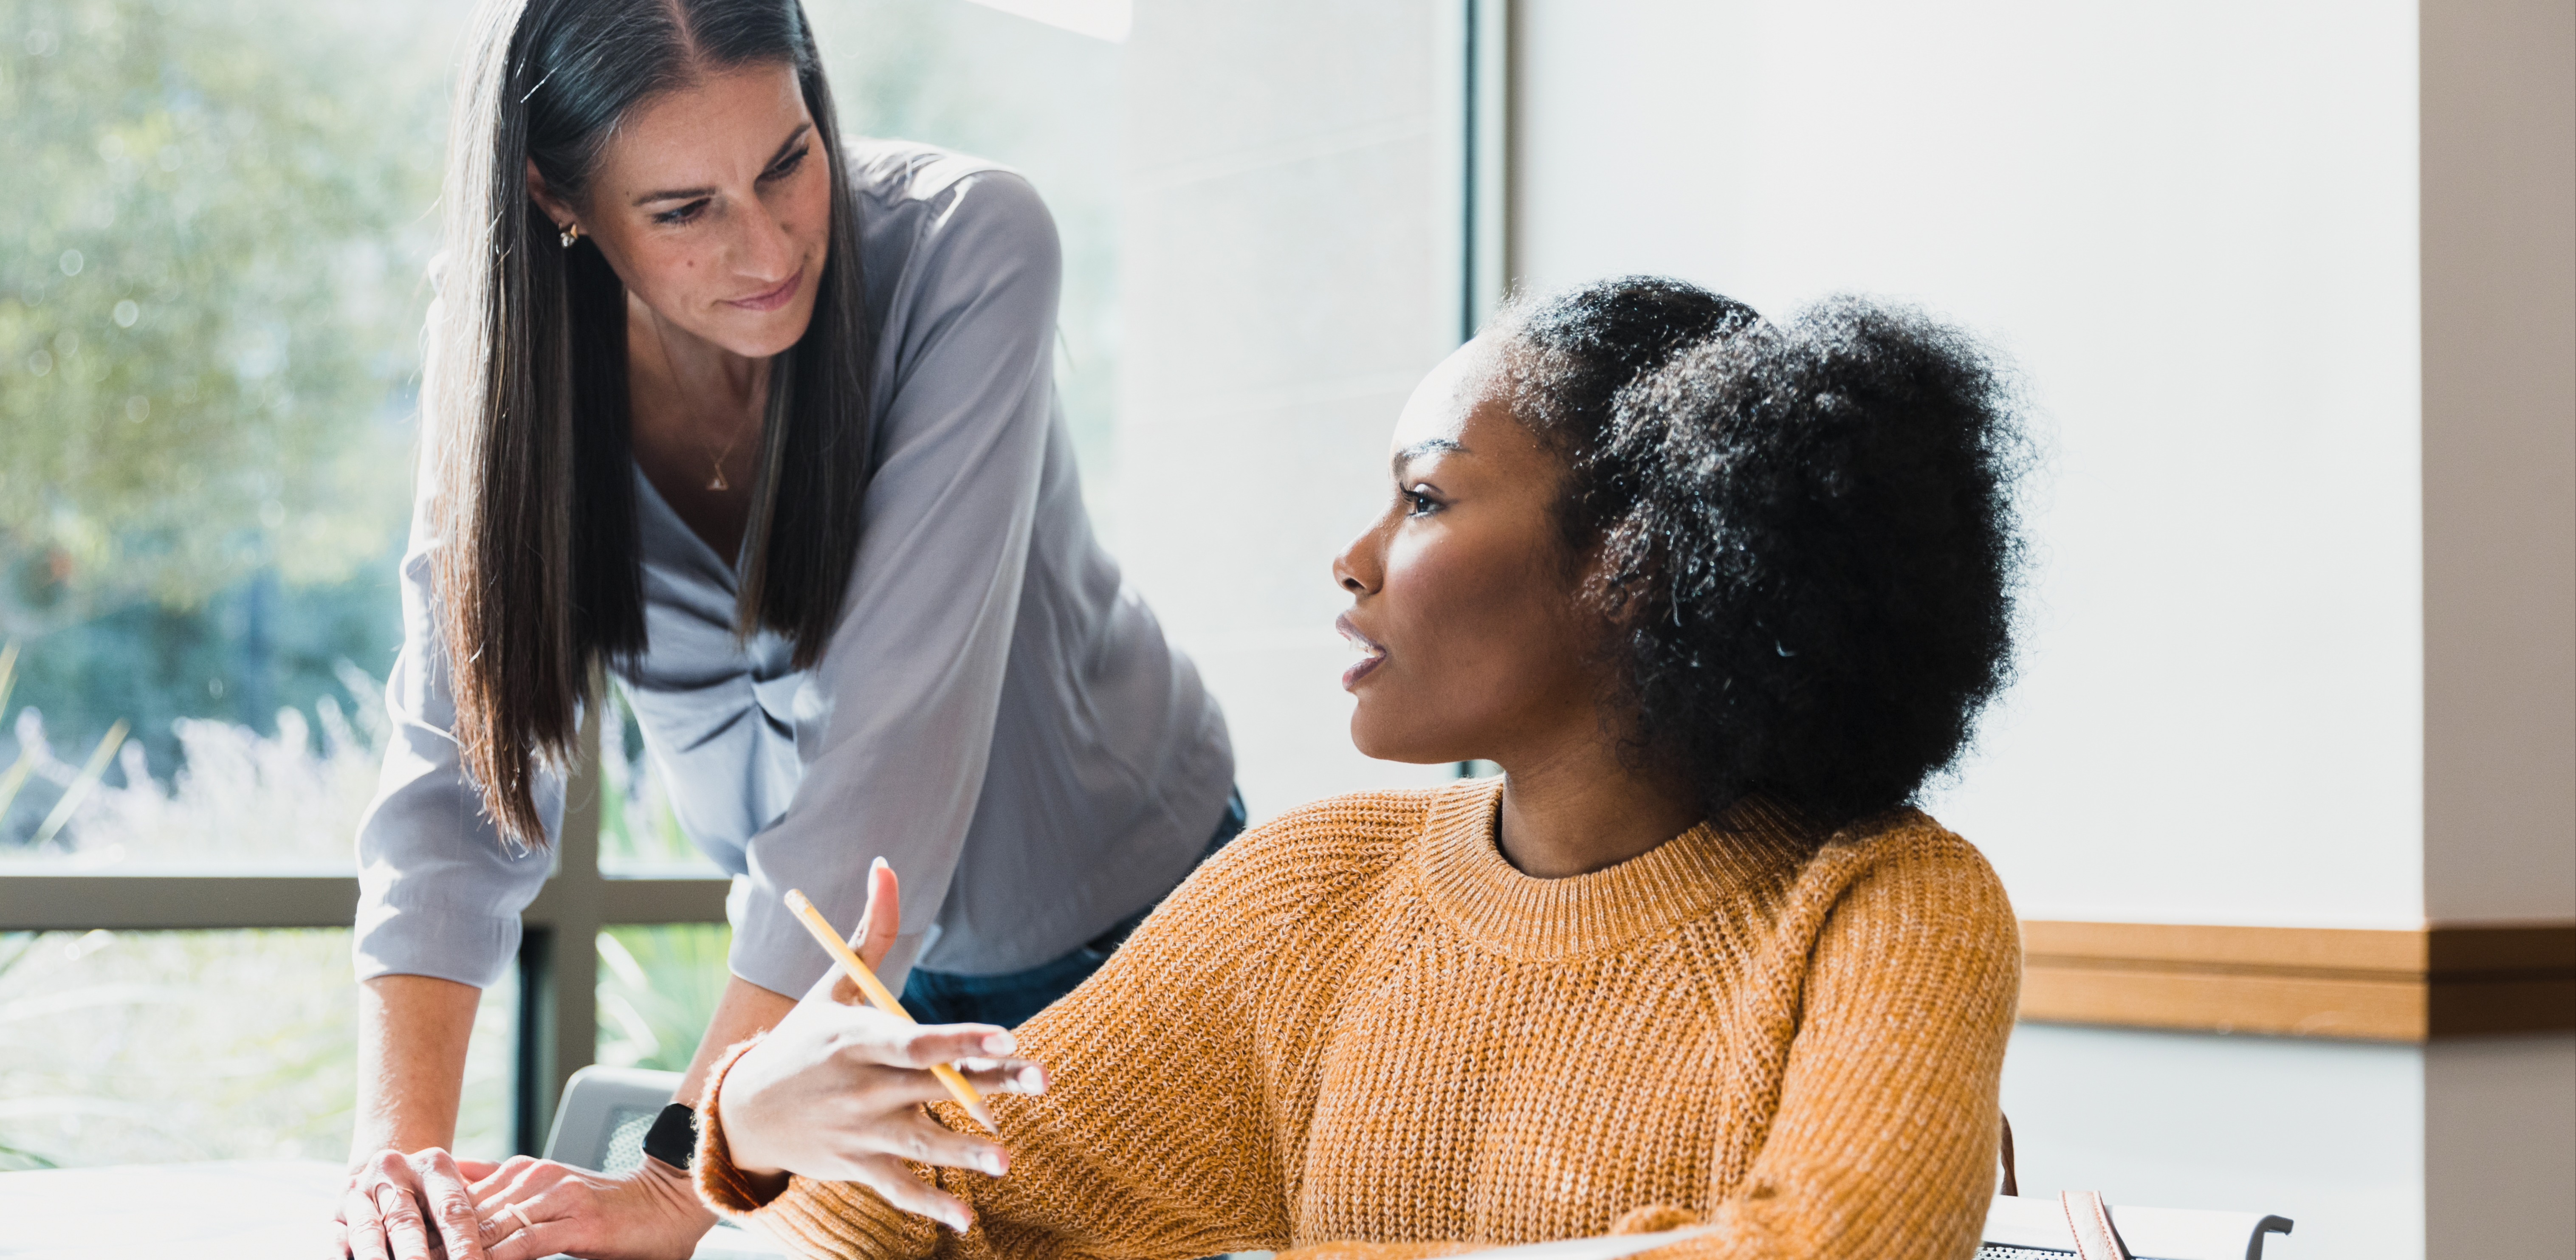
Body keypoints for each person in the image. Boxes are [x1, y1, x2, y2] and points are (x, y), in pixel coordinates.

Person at [520, 276, 2029, 1259]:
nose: (1354, 561)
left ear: (1634, 569)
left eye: (1425, 500)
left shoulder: (1885, 904)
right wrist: (749, 1125)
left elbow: (1828, 1248)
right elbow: (902, 1218)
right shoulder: (1313, 896)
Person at [333, 1, 1237, 1256]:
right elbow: (460, 769)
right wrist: (400, 1169)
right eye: (684, 210)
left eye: (787, 162)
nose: (767, 248)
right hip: (803, 1010)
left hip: (1118, 947)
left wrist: (679, 1174)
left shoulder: (968, 245)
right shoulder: (508, 333)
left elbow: (889, 756)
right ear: (558, 200)